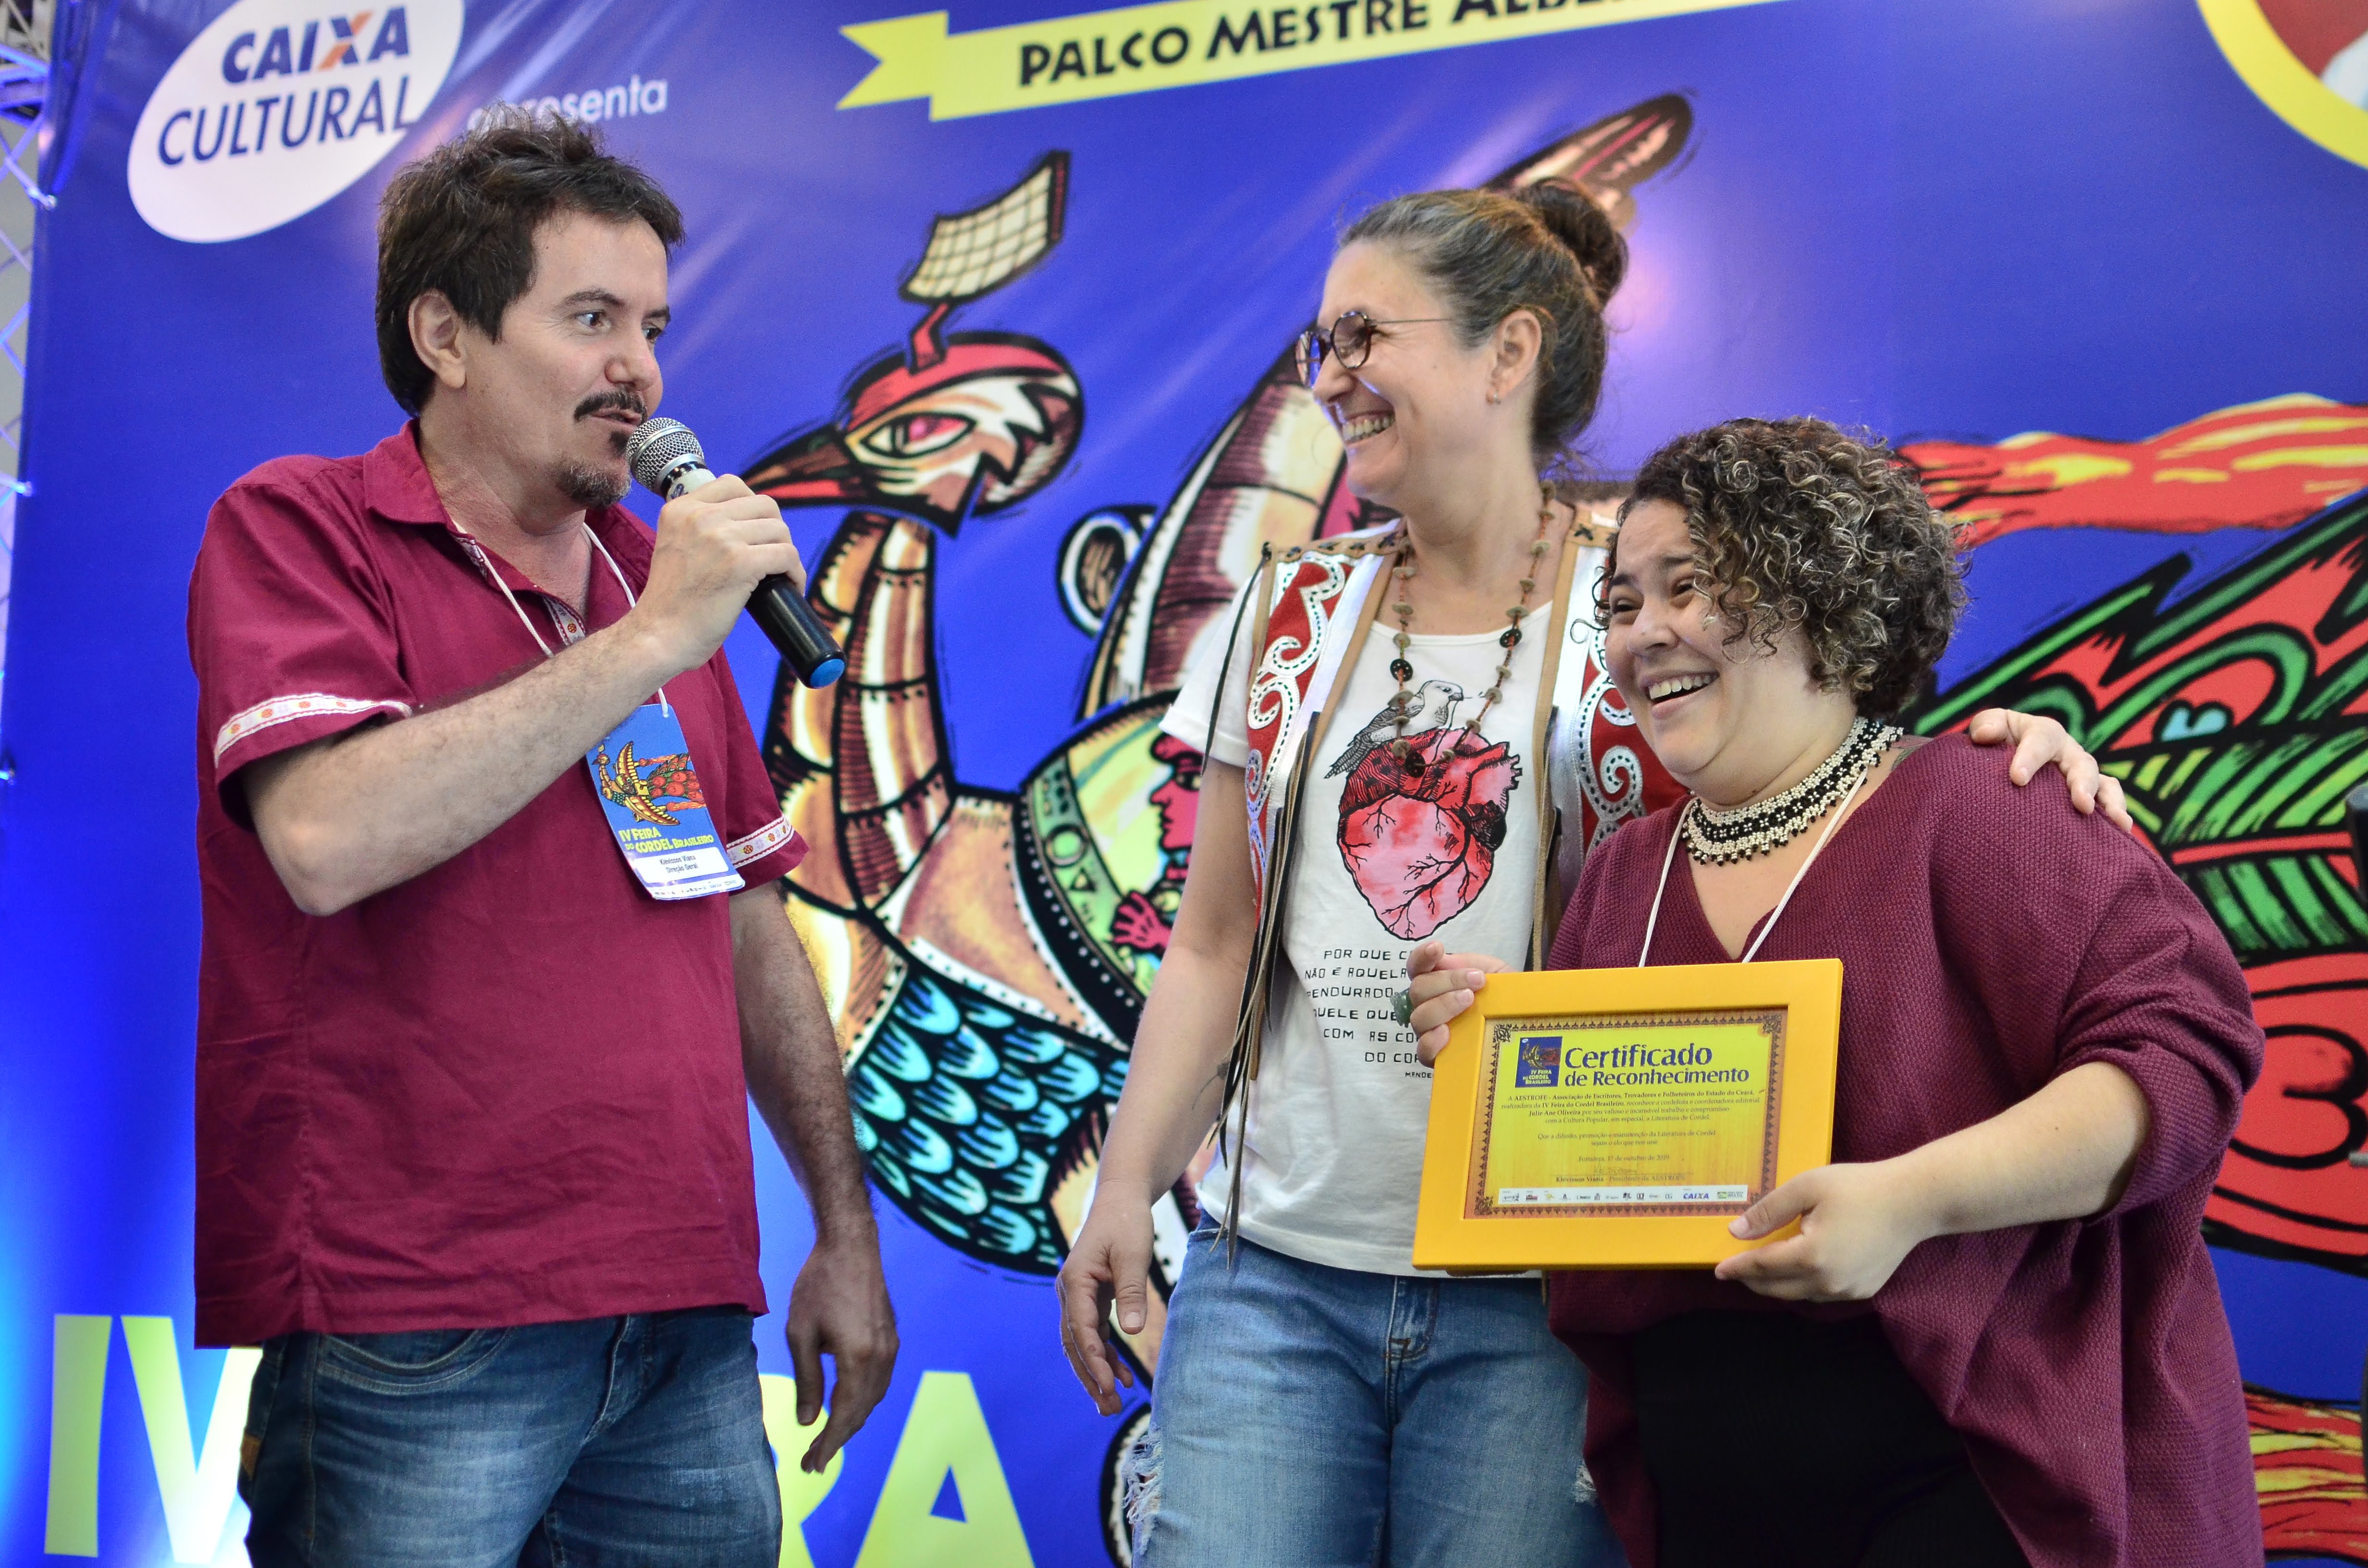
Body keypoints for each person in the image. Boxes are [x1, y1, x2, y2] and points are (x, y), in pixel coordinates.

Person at [1057, 183, 2126, 1568]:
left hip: (1550, 1283)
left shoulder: (1654, 589)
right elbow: (1214, 943)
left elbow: (1824, 769)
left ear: (1508, 352)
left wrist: (2005, 743)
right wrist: (1126, 1186)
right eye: (1319, 345)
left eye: (1365, 336)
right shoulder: (1283, 608)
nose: (1329, 378)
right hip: (1274, 1269)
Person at [186, 113, 895, 1567]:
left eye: (652, 326)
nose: (639, 368)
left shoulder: (649, 580)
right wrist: (647, 645)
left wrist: (845, 1229)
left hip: (685, 1314)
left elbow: (747, 918)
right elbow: (322, 837)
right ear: (444, 334)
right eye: (590, 319)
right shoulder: (305, 525)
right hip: (413, 1318)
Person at [1411, 417, 2263, 1568]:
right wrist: (1504, 1058)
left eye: (1689, 586)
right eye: (1619, 603)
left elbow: (2183, 1060)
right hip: (1712, 1503)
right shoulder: (1622, 874)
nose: (1641, 633)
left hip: (1976, 1477)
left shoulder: (1986, 801)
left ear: (1818, 597)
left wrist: (1912, 1200)